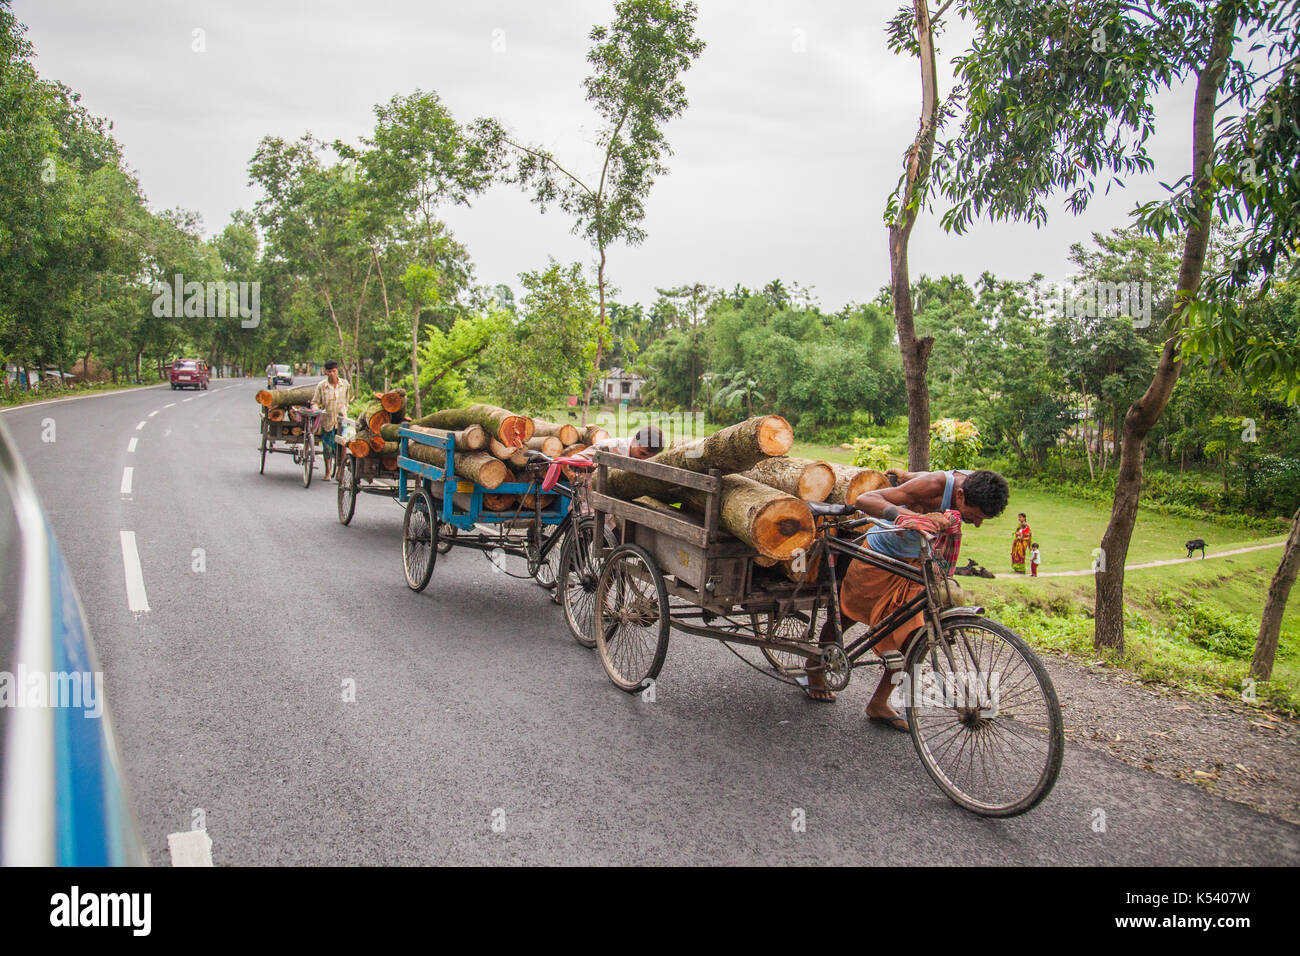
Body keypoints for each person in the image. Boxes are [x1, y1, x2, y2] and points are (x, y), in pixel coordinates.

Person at [805, 468, 1010, 732]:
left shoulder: (973, 481)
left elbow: (925, 476)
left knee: (913, 639)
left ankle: (879, 703)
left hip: (914, 564)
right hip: (880, 557)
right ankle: (814, 666)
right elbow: (865, 500)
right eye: (975, 517)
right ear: (959, 495)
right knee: (845, 617)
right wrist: (908, 516)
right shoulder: (935, 486)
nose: (977, 523)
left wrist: (907, 475)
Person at [310, 360, 351, 481]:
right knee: (327, 447)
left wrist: (344, 411)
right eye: (329, 371)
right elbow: (315, 402)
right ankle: (328, 471)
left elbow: (347, 401)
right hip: (327, 420)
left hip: (342, 420)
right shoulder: (322, 386)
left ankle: (340, 471)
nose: (332, 374)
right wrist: (316, 410)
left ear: (337, 371)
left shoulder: (345, 384)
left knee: (343, 445)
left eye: (334, 371)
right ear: (326, 372)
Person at [577, 425, 665, 461]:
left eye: (650, 457)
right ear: (634, 441)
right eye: (642, 453)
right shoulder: (610, 447)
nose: (644, 459)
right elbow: (575, 459)